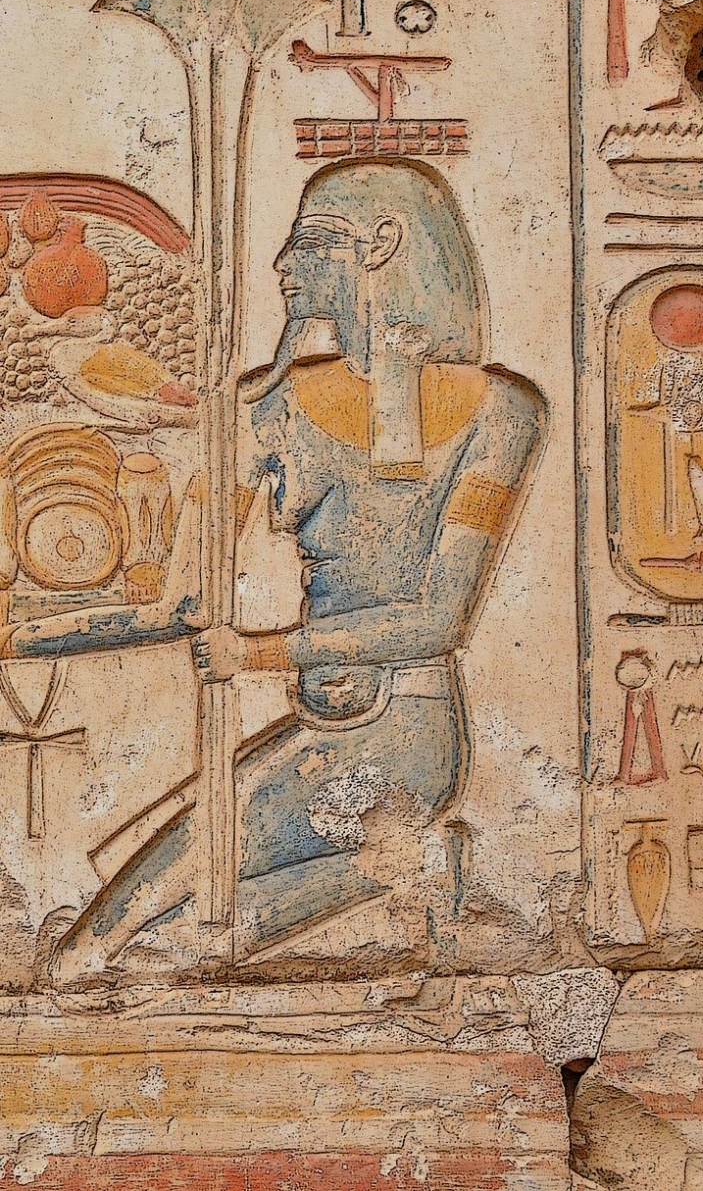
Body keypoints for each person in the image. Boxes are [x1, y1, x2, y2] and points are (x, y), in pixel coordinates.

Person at [1, 159, 546, 984]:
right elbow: (185, 602)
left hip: (405, 732)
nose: (283, 264)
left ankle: (407, 863)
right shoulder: (268, 409)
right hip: (316, 725)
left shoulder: (501, 410)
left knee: (96, 956)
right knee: (134, 946)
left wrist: (256, 654)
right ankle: (409, 866)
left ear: (381, 244)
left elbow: (438, 621)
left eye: (311, 242)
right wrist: (21, 638)